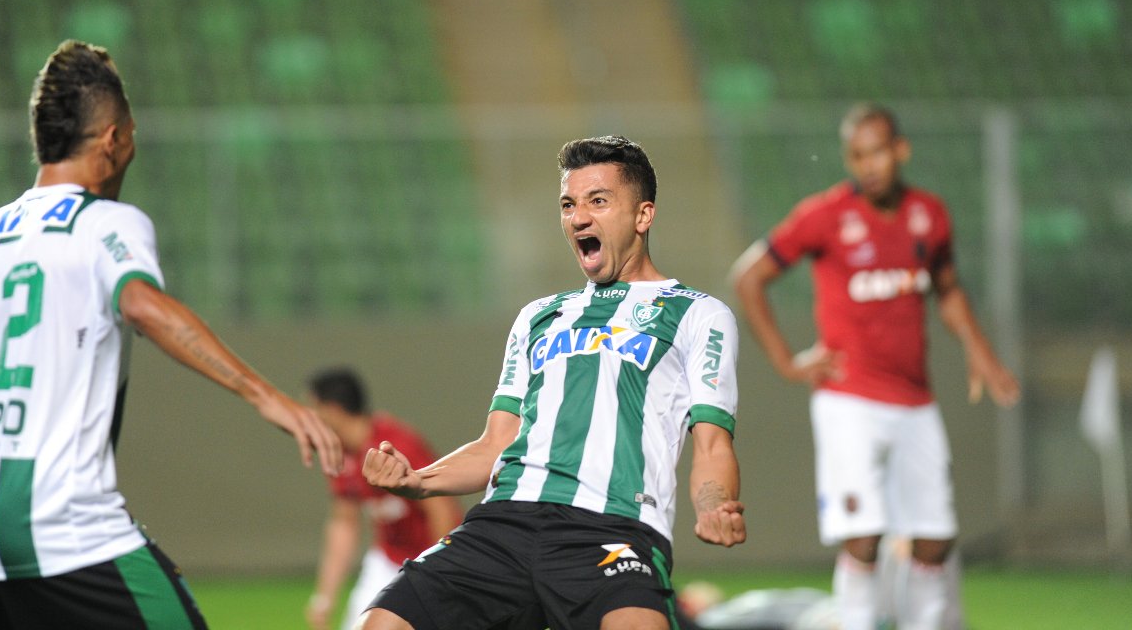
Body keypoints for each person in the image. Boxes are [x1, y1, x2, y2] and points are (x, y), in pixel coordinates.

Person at [0, 40, 343, 629]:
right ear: (113, 140)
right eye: (132, 133)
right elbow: (142, 305)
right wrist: (267, 396)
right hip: (64, 526)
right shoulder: (105, 224)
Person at [358, 136, 746, 630]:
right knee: (384, 623)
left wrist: (714, 506)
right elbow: (495, 443)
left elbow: (712, 442)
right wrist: (417, 480)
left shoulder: (698, 313)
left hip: (611, 529)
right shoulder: (539, 316)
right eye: (569, 204)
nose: (578, 217)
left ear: (643, 215)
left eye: (598, 201)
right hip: (503, 522)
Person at [730, 103, 1020, 630]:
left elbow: (948, 289)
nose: (870, 165)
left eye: (879, 152)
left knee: (935, 539)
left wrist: (980, 351)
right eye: (859, 155)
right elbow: (749, 277)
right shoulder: (826, 215)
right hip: (850, 398)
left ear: (900, 150)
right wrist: (788, 362)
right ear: (849, 159)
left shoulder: (928, 214)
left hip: (915, 399)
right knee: (863, 535)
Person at [305, 368, 463, 630]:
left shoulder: (394, 443)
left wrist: (442, 570)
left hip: (428, 557)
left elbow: (441, 508)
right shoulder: (339, 454)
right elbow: (344, 524)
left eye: (314, 408)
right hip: (388, 560)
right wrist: (324, 598)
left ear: (333, 409)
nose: (310, 417)